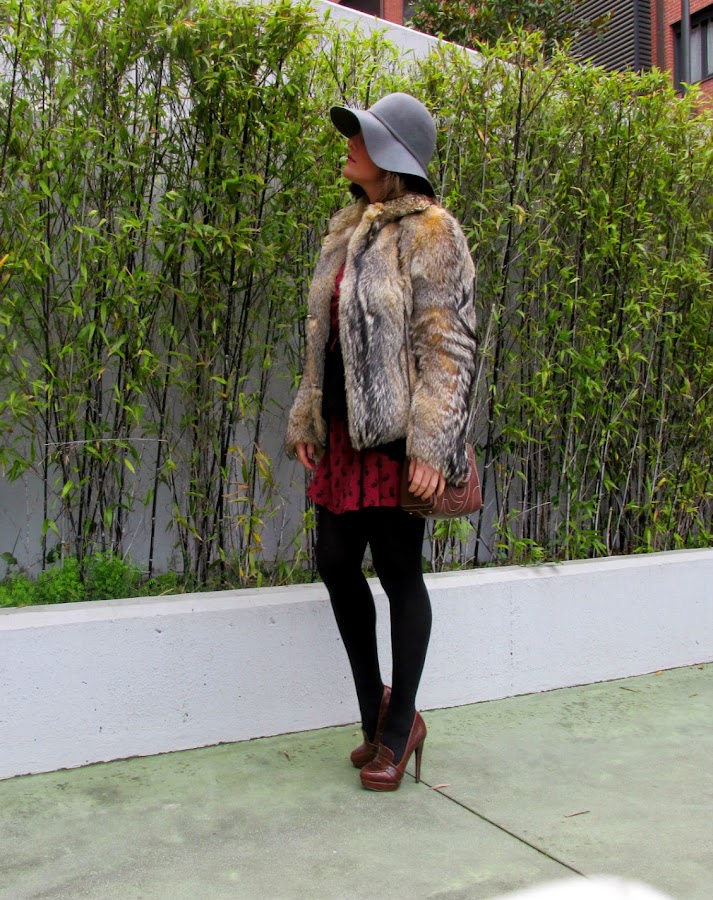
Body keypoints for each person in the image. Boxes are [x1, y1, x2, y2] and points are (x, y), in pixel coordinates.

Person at [286, 92, 476, 791]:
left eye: (362, 137)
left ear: (393, 155)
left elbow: (447, 344)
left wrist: (431, 445)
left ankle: (398, 734)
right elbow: (324, 335)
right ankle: (377, 716)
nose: (349, 145)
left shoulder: (433, 231)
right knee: (335, 563)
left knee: (398, 573)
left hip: (397, 439)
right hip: (342, 433)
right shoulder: (346, 229)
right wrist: (308, 413)